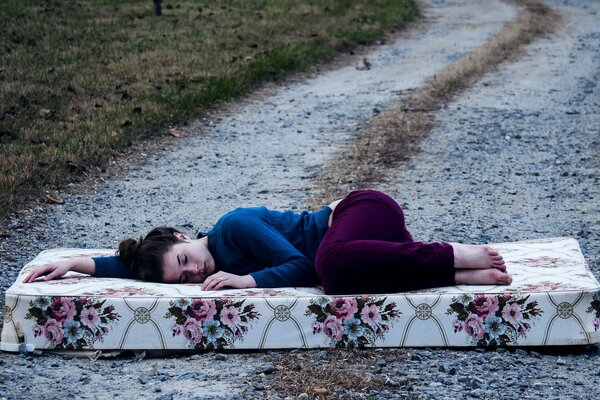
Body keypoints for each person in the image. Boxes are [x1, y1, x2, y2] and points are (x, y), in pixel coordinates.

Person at [24, 190, 511, 294]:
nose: (195, 272)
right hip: (371, 249)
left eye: (186, 259)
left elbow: (301, 265)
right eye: (186, 277)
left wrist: (248, 280)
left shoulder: (230, 227)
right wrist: (76, 263)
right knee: (340, 284)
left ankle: (453, 252)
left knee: (328, 267)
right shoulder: (187, 261)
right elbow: (129, 266)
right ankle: (452, 272)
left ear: (182, 236)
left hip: (365, 212)